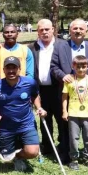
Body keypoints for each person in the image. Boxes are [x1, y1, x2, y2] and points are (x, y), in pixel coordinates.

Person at [51, 19, 88, 162]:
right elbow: (54, 67)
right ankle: (68, 153)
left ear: (86, 31)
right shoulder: (59, 47)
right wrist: (63, 76)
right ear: (70, 31)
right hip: (69, 92)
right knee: (67, 124)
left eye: (81, 28)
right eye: (75, 28)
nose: (78, 31)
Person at [0, 57, 43, 172]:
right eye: (8, 68)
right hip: (6, 127)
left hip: (26, 124)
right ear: (3, 70)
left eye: (14, 68)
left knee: (32, 152)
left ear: (19, 69)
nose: (11, 71)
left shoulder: (30, 83)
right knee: (6, 157)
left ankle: (18, 156)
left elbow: (35, 96)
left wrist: (39, 108)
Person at [28, 19, 66, 158]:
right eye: (41, 30)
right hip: (40, 90)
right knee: (44, 117)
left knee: (62, 118)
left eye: (47, 29)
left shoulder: (63, 45)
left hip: (59, 88)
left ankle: (64, 145)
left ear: (53, 29)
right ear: (37, 32)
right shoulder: (31, 48)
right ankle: (48, 146)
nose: (44, 32)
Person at [62, 55, 88, 170]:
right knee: (74, 138)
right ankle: (74, 159)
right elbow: (64, 97)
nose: (81, 69)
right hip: (73, 114)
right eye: (78, 67)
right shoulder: (69, 80)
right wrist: (64, 111)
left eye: (83, 67)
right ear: (73, 67)